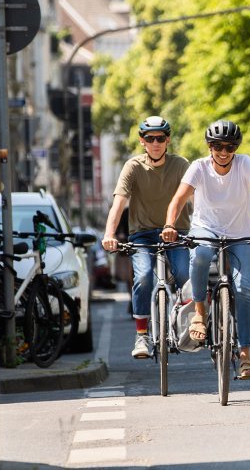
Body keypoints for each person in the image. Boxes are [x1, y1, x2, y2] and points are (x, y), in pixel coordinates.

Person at [161, 119, 250, 380]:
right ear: (209, 146)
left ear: (235, 148)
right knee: (202, 254)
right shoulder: (198, 167)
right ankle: (199, 313)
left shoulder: (245, 163)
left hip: (242, 233)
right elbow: (178, 199)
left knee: (244, 291)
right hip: (206, 228)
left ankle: (245, 357)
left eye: (229, 147)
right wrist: (169, 225)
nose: (223, 151)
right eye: (217, 145)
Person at [102, 116, 192, 359]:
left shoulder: (181, 164)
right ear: (142, 141)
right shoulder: (133, 166)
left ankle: (187, 323)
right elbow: (118, 204)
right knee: (142, 276)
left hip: (176, 232)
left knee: (185, 276)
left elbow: (196, 198)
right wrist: (109, 234)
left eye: (160, 138)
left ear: (167, 140)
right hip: (142, 235)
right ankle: (142, 335)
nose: (155, 143)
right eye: (150, 139)